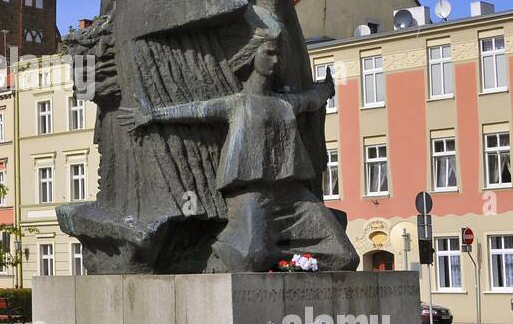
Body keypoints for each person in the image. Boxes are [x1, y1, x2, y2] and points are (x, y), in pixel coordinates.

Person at [118, 24, 359, 272]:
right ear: (252, 57)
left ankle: (288, 260)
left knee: (345, 256)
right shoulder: (237, 104)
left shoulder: (286, 103)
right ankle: (222, 254)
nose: (276, 61)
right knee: (249, 258)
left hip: (292, 195)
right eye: (269, 53)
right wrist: (153, 115)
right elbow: (197, 110)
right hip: (251, 194)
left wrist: (327, 88)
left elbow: (313, 99)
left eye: (277, 54)